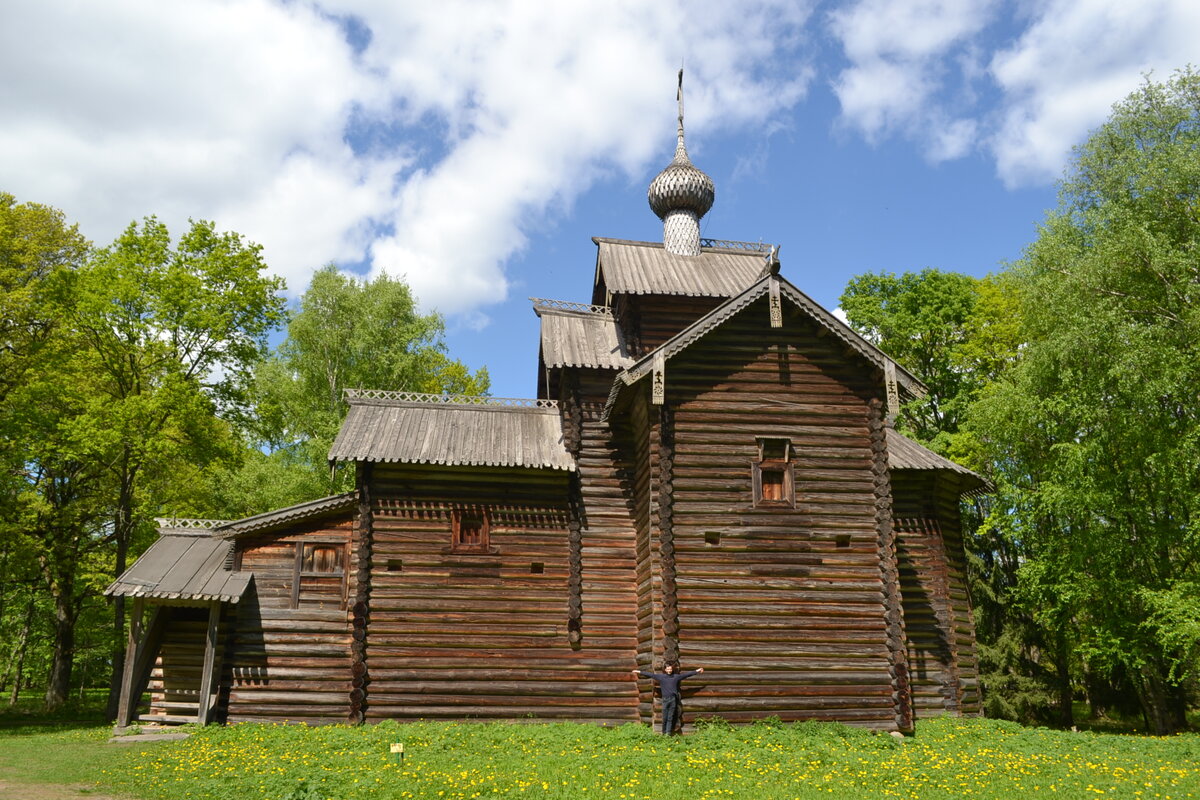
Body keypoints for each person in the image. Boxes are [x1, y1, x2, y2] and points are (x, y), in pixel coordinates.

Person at [631, 662, 704, 735]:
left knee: (670, 717)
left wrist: (697, 671)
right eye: (668, 669)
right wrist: (639, 671)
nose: (669, 670)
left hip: (673, 699)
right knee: (665, 717)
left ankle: (667, 734)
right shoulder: (661, 677)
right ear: (665, 670)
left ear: (672, 669)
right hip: (665, 700)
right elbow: (651, 675)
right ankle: (663, 733)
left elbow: (686, 675)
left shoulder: (676, 677)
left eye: (670, 669)